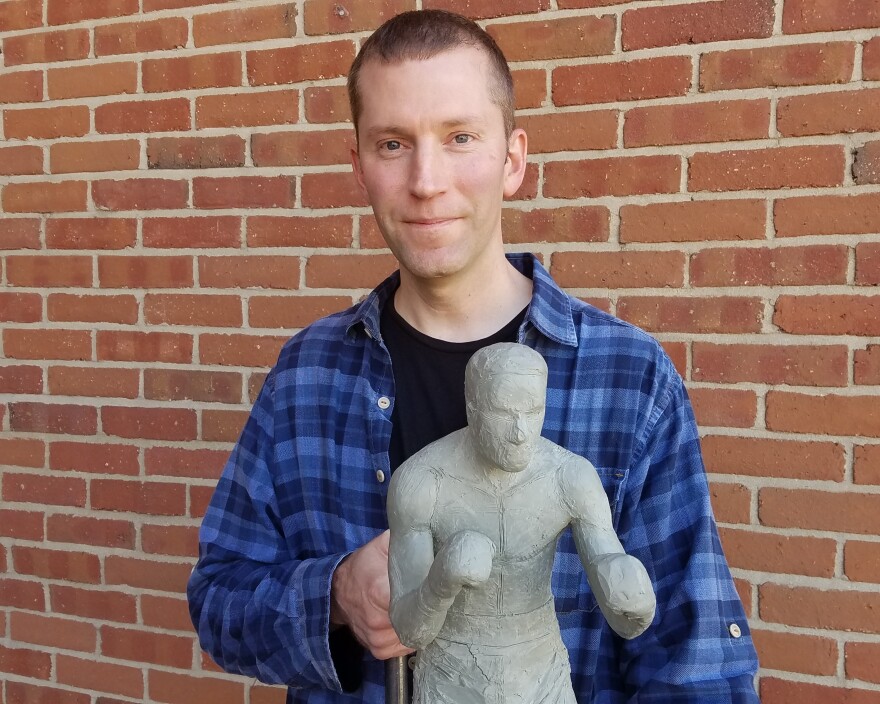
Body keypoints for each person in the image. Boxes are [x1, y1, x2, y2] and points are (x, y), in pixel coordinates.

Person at [187, 9, 760, 703]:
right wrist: (336, 592)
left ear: (512, 159)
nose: (426, 180)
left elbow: (695, 662)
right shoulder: (305, 377)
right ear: (359, 165)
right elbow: (219, 599)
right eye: (393, 144)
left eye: (460, 137)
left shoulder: (630, 380)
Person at [387, 342, 656, 704]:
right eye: (503, 412)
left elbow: (622, 614)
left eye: (533, 411)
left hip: (541, 672)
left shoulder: (569, 476)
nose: (520, 432)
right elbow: (409, 631)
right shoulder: (422, 482)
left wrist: (635, 600)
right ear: (473, 409)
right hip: (451, 676)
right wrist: (441, 580)